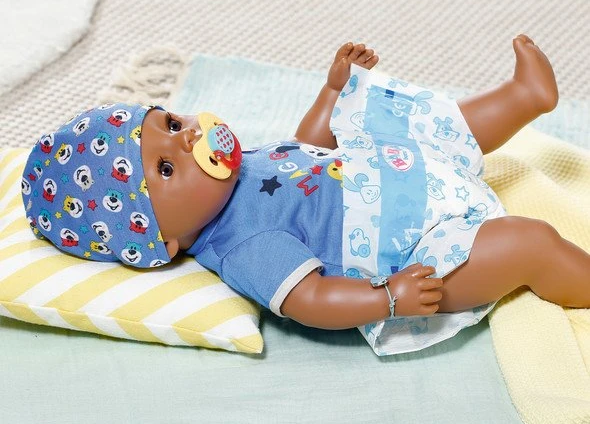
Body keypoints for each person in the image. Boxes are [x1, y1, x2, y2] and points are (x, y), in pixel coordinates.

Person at [22, 35, 590, 354]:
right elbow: (309, 300)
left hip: (404, 176)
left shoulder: (244, 165)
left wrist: (331, 92)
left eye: (170, 123)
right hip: (417, 252)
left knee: (432, 125)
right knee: (527, 243)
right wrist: (388, 299)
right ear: (164, 241)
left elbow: (307, 148)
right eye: (167, 167)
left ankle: (523, 97)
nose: (190, 137)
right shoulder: (242, 243)